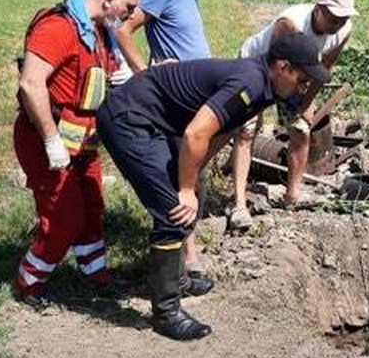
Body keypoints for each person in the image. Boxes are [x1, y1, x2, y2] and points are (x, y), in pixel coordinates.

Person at [98, 33, 330, 340]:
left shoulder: (266, 86)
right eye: (302, 77)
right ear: (283, 67)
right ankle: (166, 312)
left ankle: (177, 277)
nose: (304, 86)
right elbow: (196, 134)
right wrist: (183, 189)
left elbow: (221, 130)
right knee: (173, 209)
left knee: (197, 184)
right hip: (129, 119)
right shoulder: (249, 82)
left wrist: (193, 177)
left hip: (156, 121)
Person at [12, 0, 142, 308]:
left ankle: (95, 273)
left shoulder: (100, 33)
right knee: (63, 218)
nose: (132, 14)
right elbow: (30, 84)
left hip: (83, 144)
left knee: (92, 207)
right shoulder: (58, 28)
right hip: (48, 142)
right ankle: (29, 283)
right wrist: (51, 141)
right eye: (129, 6)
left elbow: (109, 79)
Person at [113, 0, 230, 288]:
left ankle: (186, 256)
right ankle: (185, 263)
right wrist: (143, 72)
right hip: (175, 98)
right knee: (184, 175)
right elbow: (122, 29)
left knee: (190, 175)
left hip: (193, 97)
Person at [227, 0, 358, 230]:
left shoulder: (344, 30)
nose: (339, 23)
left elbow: (325, 68)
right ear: (319, 9)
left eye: (344, 18)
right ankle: (239, 203)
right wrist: (261, 107)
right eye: (334, 17)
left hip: (297, 74)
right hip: (259, 66)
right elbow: (276, 66)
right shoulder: (291, 23)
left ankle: (292, 196)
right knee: (246, 131)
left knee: (300, 129)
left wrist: (306, 103)